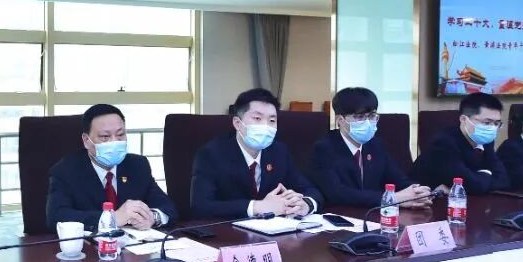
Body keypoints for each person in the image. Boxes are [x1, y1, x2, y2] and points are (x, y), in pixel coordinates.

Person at [190, 88, 322, 219]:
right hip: (228, 230)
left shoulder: (279, 152)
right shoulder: (211, 154)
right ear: (237, 123)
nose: (266, 126)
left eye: (272, 121)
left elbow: (311, 190)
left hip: (276, 229)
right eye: (257, 118)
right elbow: (200, 206)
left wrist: (306, 204)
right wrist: (257, 207)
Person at [46, 104, 177, 231]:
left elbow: (168, 208)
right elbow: (56, 217)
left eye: (120, 135)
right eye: (105, 137)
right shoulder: (65, 171)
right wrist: (111, 219)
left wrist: (153, 217)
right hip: (90, 244)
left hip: (133, 244)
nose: (114, 142)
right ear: (86, 140)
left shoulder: (138, 165)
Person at [308, 87, 431, 208]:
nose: (367, 122)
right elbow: (337, 193)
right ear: (341, 120)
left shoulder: (376, 144)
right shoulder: (324, 148)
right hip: (341, 213)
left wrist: (417, 192)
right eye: (359, 117)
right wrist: (392, 199)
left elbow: (398, 179)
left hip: (375, 213)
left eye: (372, 116)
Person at [411, 93, 511, 194]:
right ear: (464, 119)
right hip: (425, 199)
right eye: (487, 123)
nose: (492, 128)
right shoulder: (443, 143)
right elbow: (472, 185)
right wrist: (487, 173)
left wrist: (479, 177)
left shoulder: (486, 141)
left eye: (496, 123)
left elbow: (504, 181)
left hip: (464, 198)